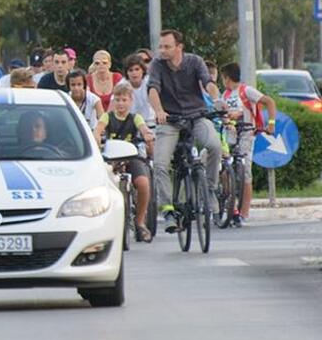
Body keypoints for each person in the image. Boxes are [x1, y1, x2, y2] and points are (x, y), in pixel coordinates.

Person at [148, 29, 223, 226]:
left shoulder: (195, 61)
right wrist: (158, 110)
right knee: (160, 164)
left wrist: (216, 99)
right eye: (160, 46)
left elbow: (208, 82)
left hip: (196, 116)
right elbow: (153, 89)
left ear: (179, 47)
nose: (162, 50)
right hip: (170, 119)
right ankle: (167, 209)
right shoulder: (157, 64)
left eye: (167, 46)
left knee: (215, 146)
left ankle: (209, 189)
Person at [93, 84, 155, 242]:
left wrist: (147, 135)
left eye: (124, 100)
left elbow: (143, 128)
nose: (121, 103)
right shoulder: (107, 117)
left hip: (132, 156)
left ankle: (140, 222)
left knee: (143, 183)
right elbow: (98, 129)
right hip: (112, 158)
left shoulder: (136, 118)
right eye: (117, 100)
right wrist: (97, 137)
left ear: (131, 101)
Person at [220, 62, 277, 226]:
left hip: (246, 135)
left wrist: (271, 123)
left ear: (227, 77)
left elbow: (269, 101)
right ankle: (230, 206)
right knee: (225, 169)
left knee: (245, 172)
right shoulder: (225, 94)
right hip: (230, 135)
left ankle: (243, 213)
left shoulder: (246, 91)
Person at [118, 54, 156, 126]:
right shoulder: (122, 85)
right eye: (131, 70)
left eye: (137, 69)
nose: (134, 73)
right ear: (127, 72)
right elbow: (114, 105)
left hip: (151, 121)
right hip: (130, 123)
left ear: (143, 70)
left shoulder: (150, 82)